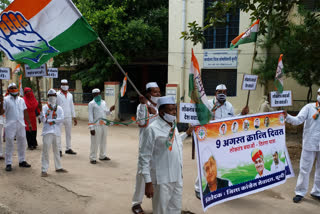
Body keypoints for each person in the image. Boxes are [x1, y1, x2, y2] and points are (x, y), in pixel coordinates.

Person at [139, 96, 193, 214]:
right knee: (161, 210)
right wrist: (148, 182)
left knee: (175, 209)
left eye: (175, 109)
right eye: (171, 110)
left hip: (177, 176)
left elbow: (174, 142)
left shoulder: (172, 125)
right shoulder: (152, 129)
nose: (174, 112)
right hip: (162, 179)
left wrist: (187, 133)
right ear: (162, 112)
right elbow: (144, 158)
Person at [195, 84, 249, 199]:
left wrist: (242, 114)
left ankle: (219, 187)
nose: (222, 94)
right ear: (215, 93)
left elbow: (232, 121)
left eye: (224, 92)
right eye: (220, 92)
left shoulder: (229, 106)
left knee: (220, 165)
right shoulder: (209, 104)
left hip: (223, 141)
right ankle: (198, 188)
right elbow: (201, 119)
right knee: (206, 164)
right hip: (209, 140)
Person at [284, 88, 320, 203]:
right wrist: (287, 116)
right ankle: (300, 192)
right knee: (305, 169)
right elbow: (297, 120)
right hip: (310, 143)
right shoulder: (309, 107)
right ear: (317, 94)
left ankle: (317, 192)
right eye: (319, 93)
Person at [132, 82, 160, 214]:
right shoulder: (141, 106)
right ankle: (136, 203)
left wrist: (155, 112)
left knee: (156, 175)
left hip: (159, 147)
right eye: (155, 92)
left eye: (159, 91)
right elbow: (141, 123)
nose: (158, 94)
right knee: (142, 175)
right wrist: (144, 106)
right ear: (148, 94)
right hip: (145, 147)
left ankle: (158, 202)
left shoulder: (160, 106)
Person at [0, 83, 32, 171]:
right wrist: (1, 103)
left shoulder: (21, 100)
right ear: (8, 90)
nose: (14, 89)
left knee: (22, 142)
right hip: (10, 124)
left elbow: (25, 112)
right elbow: (1, 112)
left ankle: (22, 161)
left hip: (21, 124)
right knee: (9, 143)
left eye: (15, 88)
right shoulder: (5, 100)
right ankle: (8, 163)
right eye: (12, 88)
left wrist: (29, 123)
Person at [40, 89, 67, 177]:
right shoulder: (44, 107)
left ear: (56, 96)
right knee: (45, 151)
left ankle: (58, 167)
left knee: (57, 150)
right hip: (47, 131)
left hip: (56, 131)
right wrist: (52, 120)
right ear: (48, 97)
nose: (52, 97)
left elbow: (62, 119)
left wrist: (50, 120)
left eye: (54, 95)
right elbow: (43, 119)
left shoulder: (59, 108)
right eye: (50, 95)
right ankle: (44, 169)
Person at [88, 88, 115, 164]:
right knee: (95, 142)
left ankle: (102, 156)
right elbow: (90, 116)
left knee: (103, 141)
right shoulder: (91, 103)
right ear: (93, 95)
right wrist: (91, 128)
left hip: (104, 124)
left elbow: (106, 112)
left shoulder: (103, 102)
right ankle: (93, 158)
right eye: (96, 94)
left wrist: (110, 110)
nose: (98, 95)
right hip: (96, 125)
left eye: (99, 93)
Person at [56, 79, 77, 156]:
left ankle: (68, 148)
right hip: (59, 117)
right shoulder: (57, 94)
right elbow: (53, 105)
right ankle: (59, 150)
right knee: (58, 134)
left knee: (68, 134)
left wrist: (74, 116)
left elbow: (72, 106)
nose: (65, 86)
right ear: (61, 85)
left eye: (66, 84)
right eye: (63, 84)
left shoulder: (70, 95)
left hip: (68, 116)